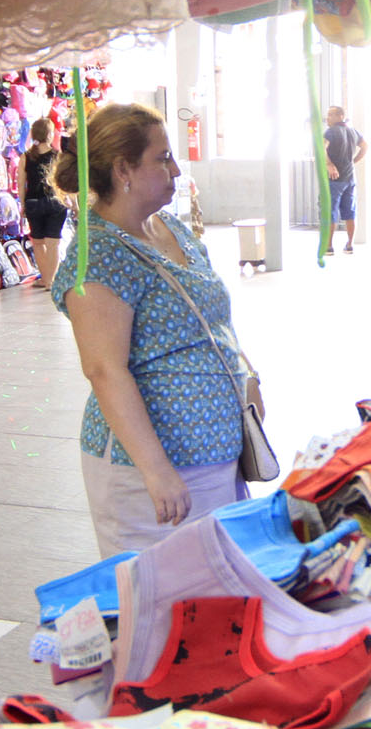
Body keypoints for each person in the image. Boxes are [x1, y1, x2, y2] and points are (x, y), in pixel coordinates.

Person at [52, 103, 258, 556]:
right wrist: (156, 469)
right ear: (124, 169)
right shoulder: (100, 257)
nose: (177, 169)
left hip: (214, 457)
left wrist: (245, 372)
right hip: (152, 474)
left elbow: (210, 320)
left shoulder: (170, 228)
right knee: (161, 602)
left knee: (216, 596)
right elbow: (104, 369)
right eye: (163, 157)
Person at [19, 119, 69, 288]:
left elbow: (21, 184)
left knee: (38, 243)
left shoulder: (25, 157)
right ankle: (50, 281)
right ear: (49, 134)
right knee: (53, 243)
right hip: (55, 202)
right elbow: (63, 181)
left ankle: (46, 279)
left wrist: (22, 205)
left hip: (33, 202)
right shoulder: (58, 156)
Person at [323, 105, 367, 255]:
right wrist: (354, 161)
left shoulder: (331, 132)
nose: (327, 118)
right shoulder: (353, 131)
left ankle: (328, 246)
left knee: (330, 211)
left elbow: (321, 148)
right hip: (350, 178)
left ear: (340, 116)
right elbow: (365, 146)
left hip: (334, 179)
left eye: (330, 115)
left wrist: (329, 164)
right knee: (350, 211)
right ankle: (349, 245)